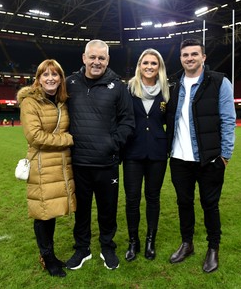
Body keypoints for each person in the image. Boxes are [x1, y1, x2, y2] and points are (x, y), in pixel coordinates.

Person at [166, 39, 236, 273]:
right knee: (183, 203)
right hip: (179, 158)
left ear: (203, 57)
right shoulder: (175, 85)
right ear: (181, 59)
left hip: (209, 159)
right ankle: (187, 244)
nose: (189, 58)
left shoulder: (219, 82)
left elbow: (228, 119)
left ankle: (213, 248)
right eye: (185, 55)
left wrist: (225, 155)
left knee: (210, 204)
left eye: (194, 54)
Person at [66, 39, 135, 270]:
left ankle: (107, 247)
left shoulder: (118, 87)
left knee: (108, 210)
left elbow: (128, 121)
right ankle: (82, 249)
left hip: (107, 163)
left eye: (101, 58)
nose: (96, 62)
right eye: (92, 57)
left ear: (107, 60)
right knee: (81, 211)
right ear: (84, 58)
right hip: (79, 162)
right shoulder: (70, 84)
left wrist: (112, 143)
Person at [16, 59, 76, 278]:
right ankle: (47, 257)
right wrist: (68, 139)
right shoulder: (30, 102)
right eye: (45, 74)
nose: (50, 78)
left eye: (55, 74)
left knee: (52, 210)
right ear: (38, 78)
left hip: (61, 164)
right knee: (43, 213)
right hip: (42, 163)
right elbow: (35, 136)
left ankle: (50, 254)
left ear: (60, 78)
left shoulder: (61, 101)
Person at [123, 48, 170, 262]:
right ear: (139, 66)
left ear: (159, 67)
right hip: (133, 152)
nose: (149, 67)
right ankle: (134, 242)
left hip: (158, 154)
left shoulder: (167, 91)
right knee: (132, 199)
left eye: (154, 63)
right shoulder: (128, 89)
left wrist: (168, 146)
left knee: (153, 198)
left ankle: (151, 240)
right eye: (146, 63)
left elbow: (172, 122)